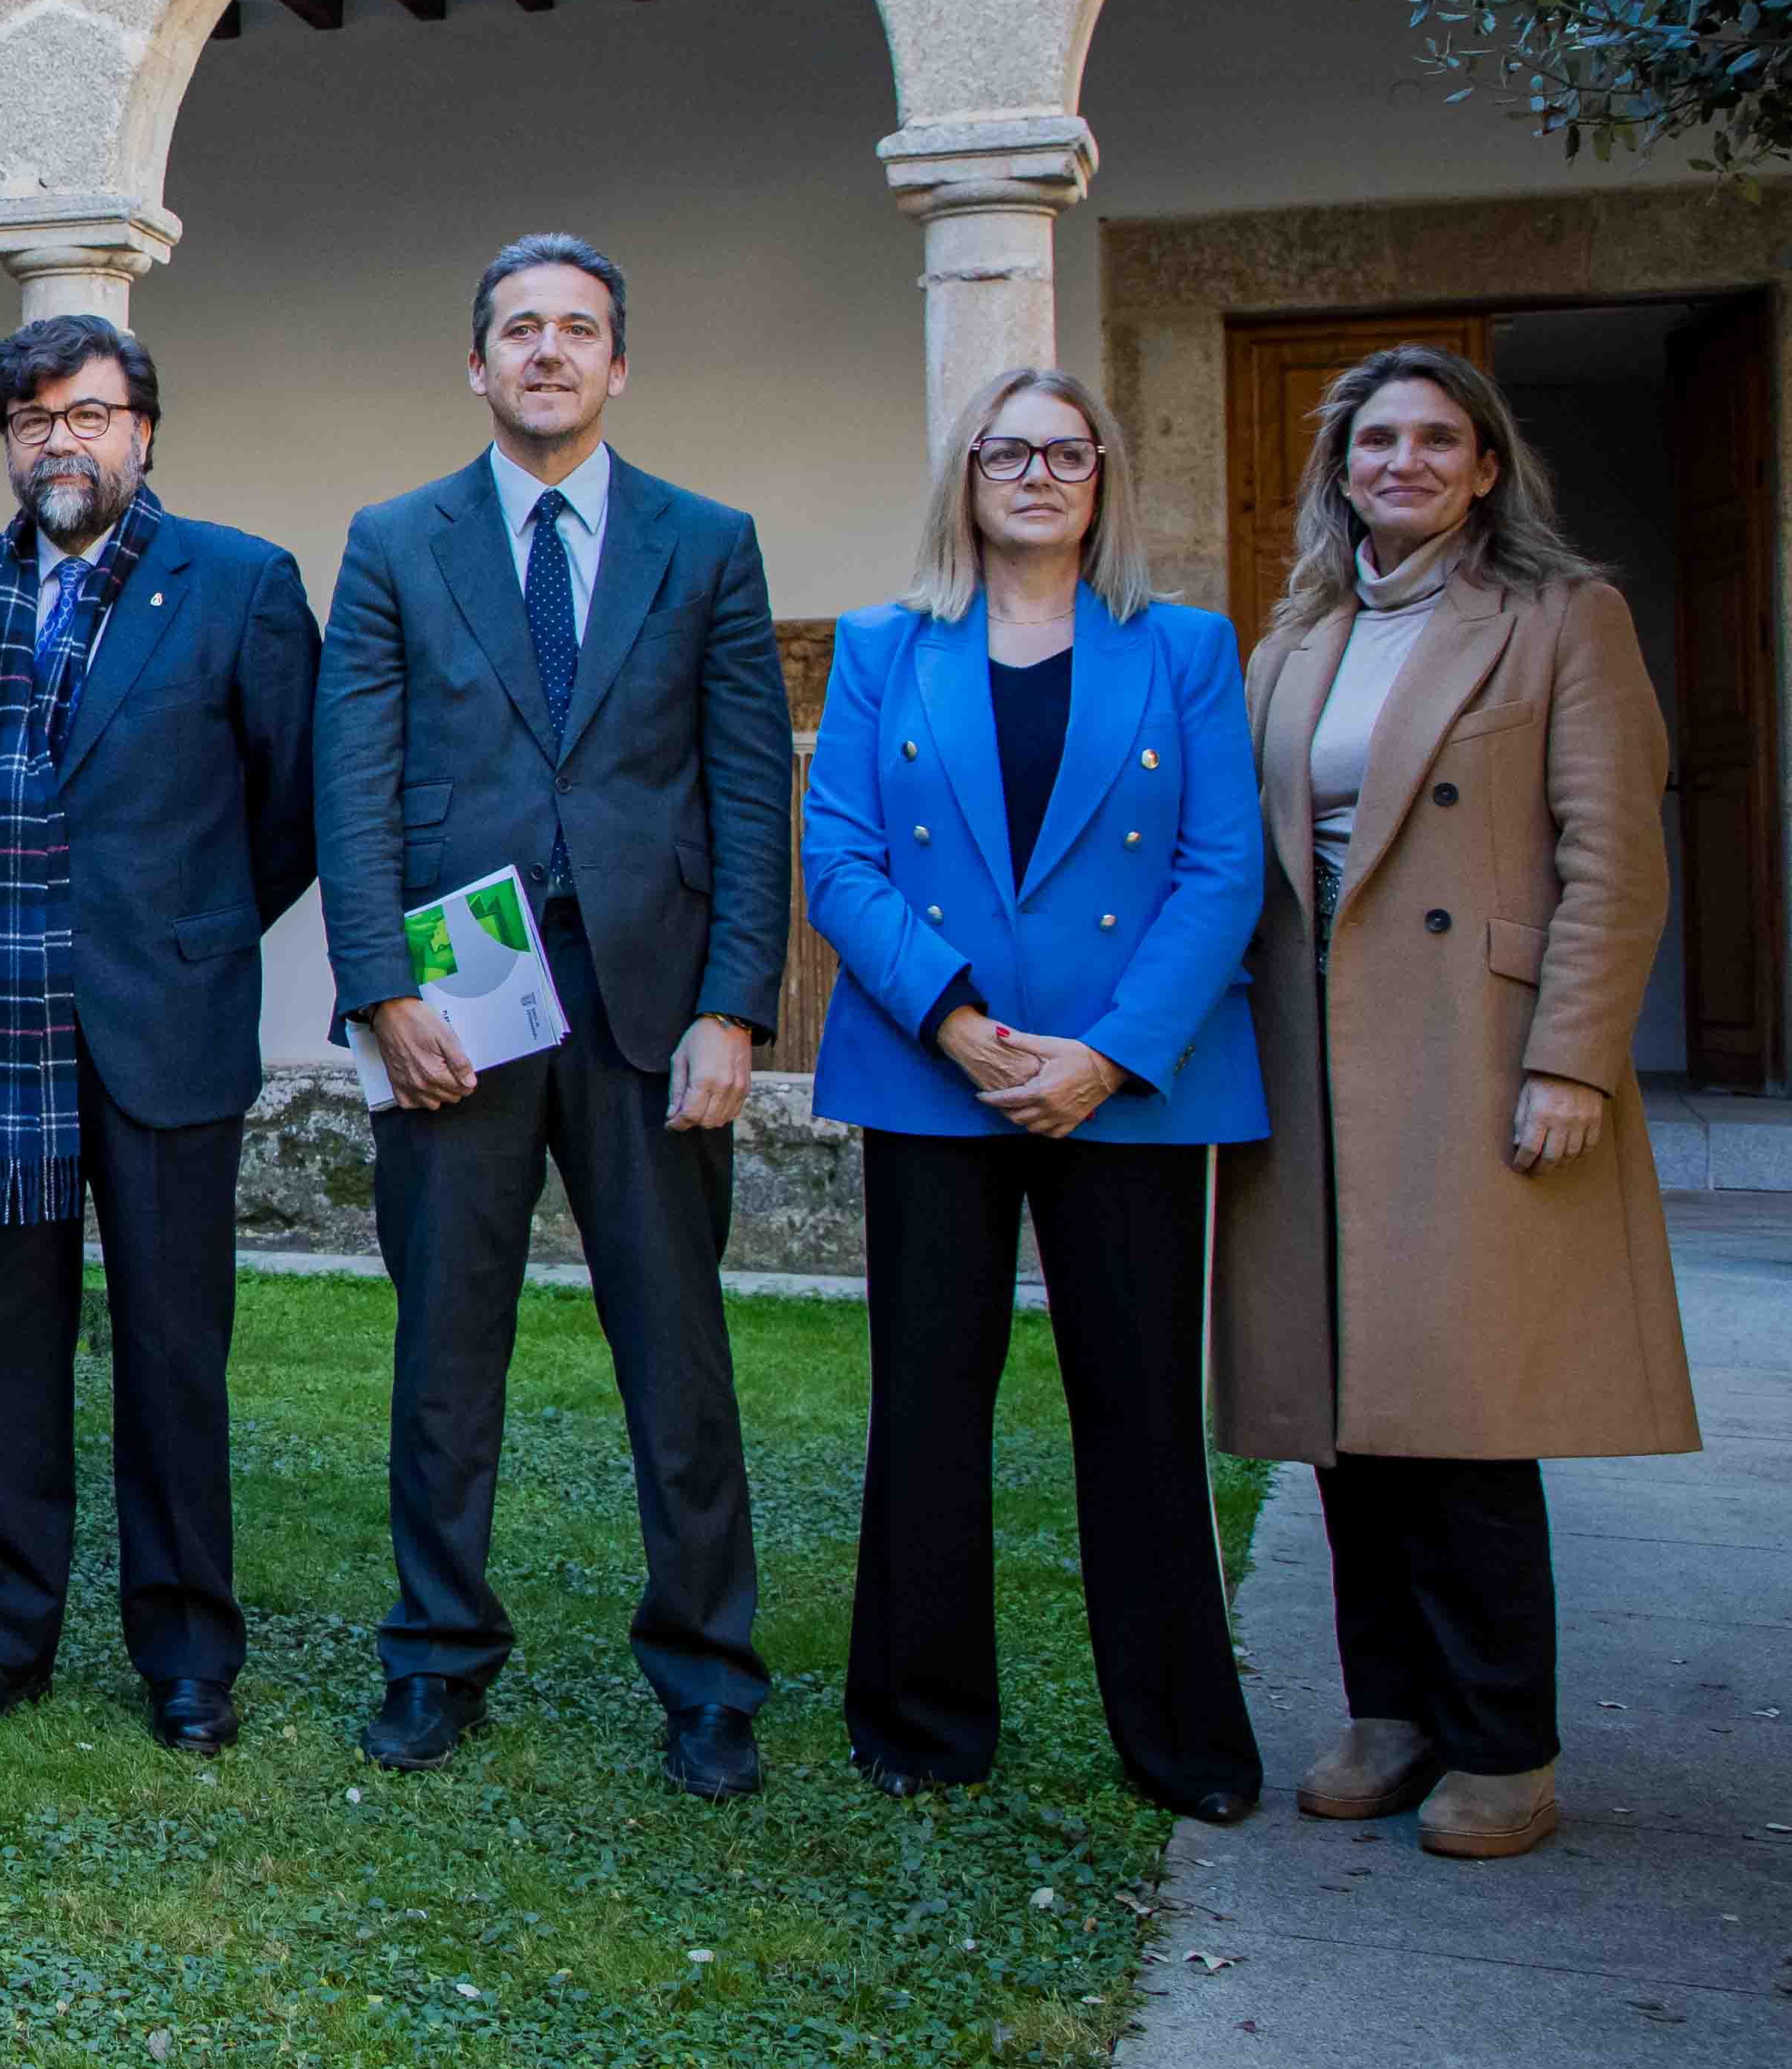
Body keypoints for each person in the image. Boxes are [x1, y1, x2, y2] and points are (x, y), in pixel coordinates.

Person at [317, 233, 793, 1797]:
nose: (544, 352)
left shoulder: (704, 544)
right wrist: (381, 992)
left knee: (678, 1352)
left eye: (575, 330)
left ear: (615, 365)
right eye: (516, 329)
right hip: (458, 1009)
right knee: (444, 1351)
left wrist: (736, 1007)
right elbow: (355, 782)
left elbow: (744, 787)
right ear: (475, 363)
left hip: (647, 1003)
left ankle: (707, 1674)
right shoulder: (393, 542)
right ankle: (436, 1654)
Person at [1225, 343, 1692, 1863]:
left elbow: (1609, 857)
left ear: (1485, 467)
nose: (1402, 464)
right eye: (1375, 443)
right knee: (1343, 1406)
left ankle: (1504, 1740)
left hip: (1470, 1052)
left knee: (1468, 1411)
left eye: (1435, 441)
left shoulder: (1560, 621)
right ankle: (1389, 1710)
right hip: (1311, 1055)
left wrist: (1571, 1057)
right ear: (1338, 469)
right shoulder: (1293, 640)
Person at [801, 368, 1267, 1820]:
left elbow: (1220, 867)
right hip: (937, 1072)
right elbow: (838, 855)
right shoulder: (884, 647)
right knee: (927, 1402)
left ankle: (1180, 1740)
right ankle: (916, 1723)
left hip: (1123, 1087)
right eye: (1006, 451)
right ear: (964, 475)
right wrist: (952, 1021)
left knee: (1135, 1410)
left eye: (1065, 452)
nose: (1035, 473)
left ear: (1102, 477)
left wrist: (1108, 1052)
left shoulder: (1183, 648)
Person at [0, 317, 320, 1746]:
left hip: (165, 1026)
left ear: (143, 428)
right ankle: (6, 1631)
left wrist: (186, 933)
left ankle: (186, 1647)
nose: (56, 441)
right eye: (28, 420)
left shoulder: (242, 586)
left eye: (87, 414)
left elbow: (288, 813)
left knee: (170, 1349)